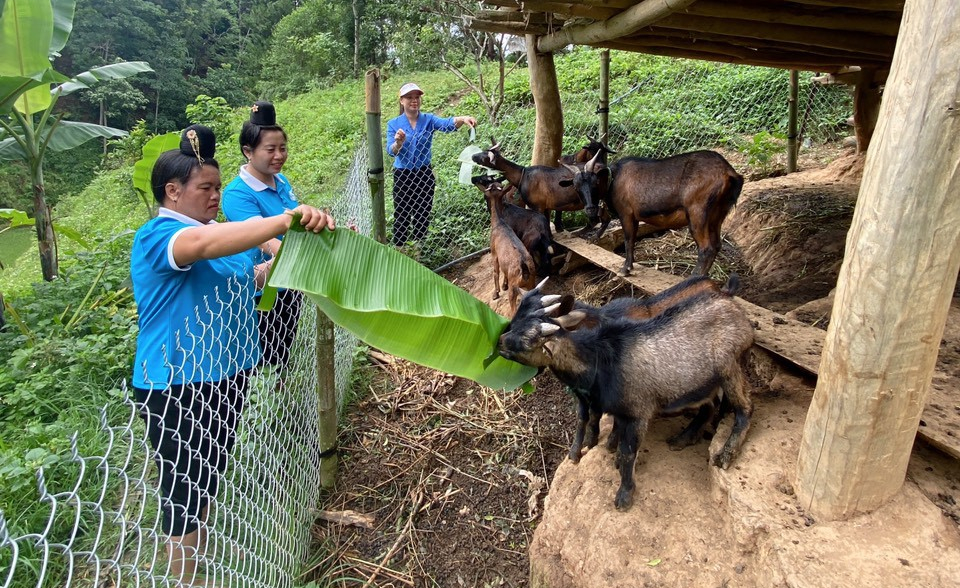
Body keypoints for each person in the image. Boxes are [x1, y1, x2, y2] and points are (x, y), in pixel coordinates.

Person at [130, 124, 335, 585]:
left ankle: (197, 566)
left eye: (219, 186)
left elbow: (252, 278)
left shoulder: (215, 232)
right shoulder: (160, 235)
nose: (215, 195)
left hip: (227, 375)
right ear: (173, 191)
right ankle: (187, 577)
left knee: (206, 484)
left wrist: (304, 257)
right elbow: (199, 249)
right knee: (183, 495)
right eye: (205, 187)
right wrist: (285, 220)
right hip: (178, 383)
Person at [222, 101, 302, 368]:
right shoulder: (237, 194)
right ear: (248, 151)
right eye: (270, 149)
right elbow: (262, 238)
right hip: (261, 291)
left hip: (290, 277)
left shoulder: (282, 181)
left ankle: (283, 387)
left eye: (282, 148)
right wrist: (300, 257)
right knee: (264, 357)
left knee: (284, 348)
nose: (279, 155)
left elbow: (295, 224)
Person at [386, 82, 477, 247]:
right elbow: (391, 151)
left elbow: (447, 124)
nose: (414, 100)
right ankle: (400, 250)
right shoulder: (394, 124)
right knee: (402, 214)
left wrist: (463, 119)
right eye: (409, 97)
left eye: (417, 97)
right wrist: (398, 143)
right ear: (401, 101)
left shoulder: (428, 120)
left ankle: (419, 249)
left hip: (424, 173)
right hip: (403, 175)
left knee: (422, 212)